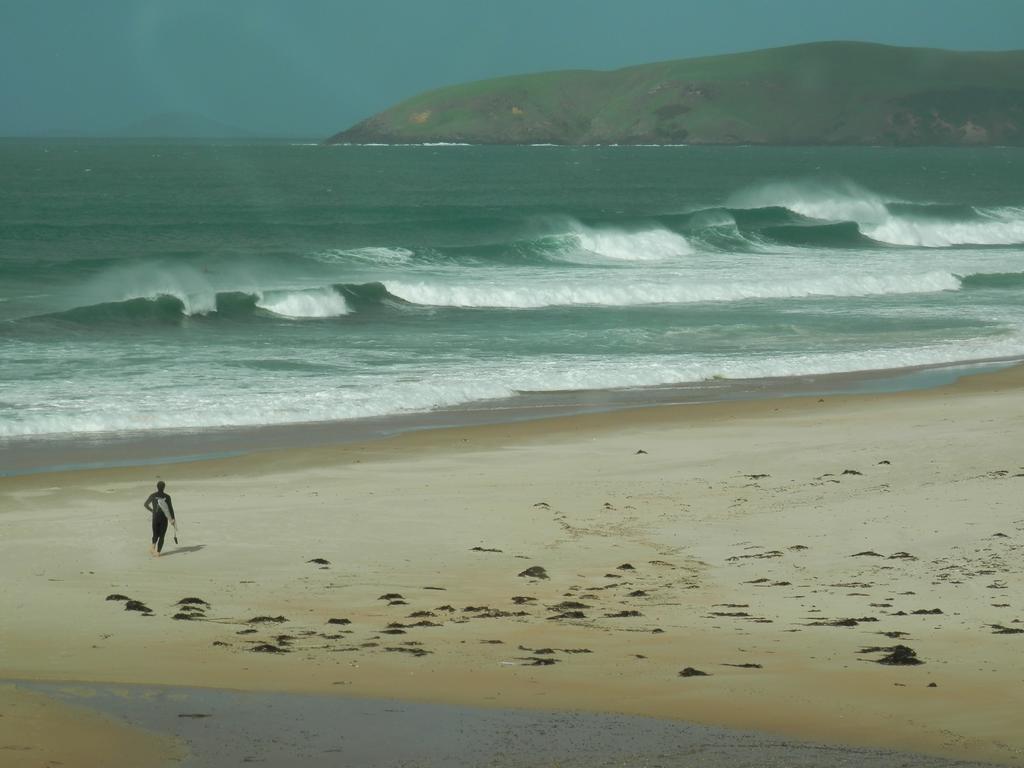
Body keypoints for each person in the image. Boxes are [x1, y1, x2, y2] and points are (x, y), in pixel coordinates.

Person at [143, 480, 176, 557]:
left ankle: (152, 548)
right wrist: (172, 519)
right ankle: (157, 553)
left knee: (155, 534)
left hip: (155, 518)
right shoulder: (167, 497)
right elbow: (170, 509)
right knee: (162, 535)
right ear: (164, 487)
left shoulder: (153, 495)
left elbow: (145, 505)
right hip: (163, 519)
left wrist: (152, 511)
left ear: (157, 487)